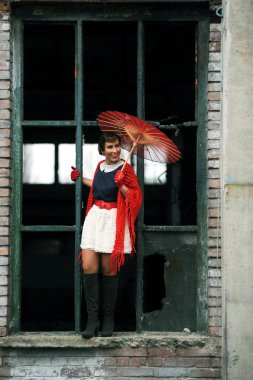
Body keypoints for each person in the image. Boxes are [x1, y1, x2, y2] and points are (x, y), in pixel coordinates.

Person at [70, 132, 142, 338]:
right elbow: (98, 186)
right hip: (95, 219)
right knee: (88, 265)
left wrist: (122, 185)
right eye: (110, 147)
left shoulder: (126, 169)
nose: (115, 150)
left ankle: (109, 319)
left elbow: (136, 198)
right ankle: (93, 320)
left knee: (108, 270)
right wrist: (79, 178)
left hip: (113, 221)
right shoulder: (100, 166)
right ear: (102, 150)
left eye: (117, 146)